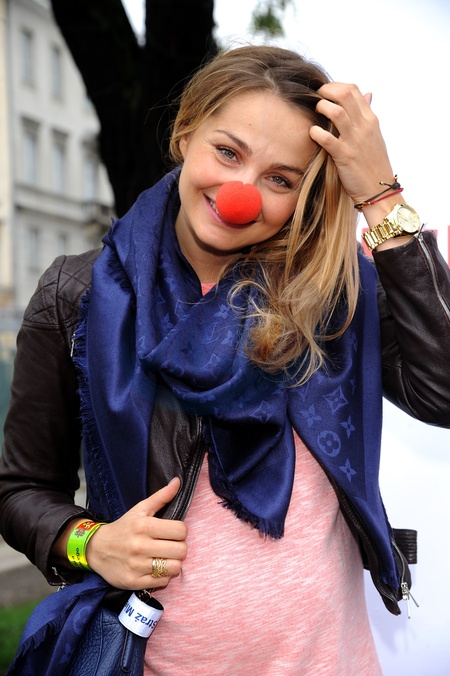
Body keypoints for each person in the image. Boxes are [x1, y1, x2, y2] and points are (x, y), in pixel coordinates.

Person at [1, 44, 449, 675]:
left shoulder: (336, 291)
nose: (241, 193)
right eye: (229, 152)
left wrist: (380, 196)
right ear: (186, 133)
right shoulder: (75, 295)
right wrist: (90, 542)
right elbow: (20, 490)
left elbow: (442, 392)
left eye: (281, 179)